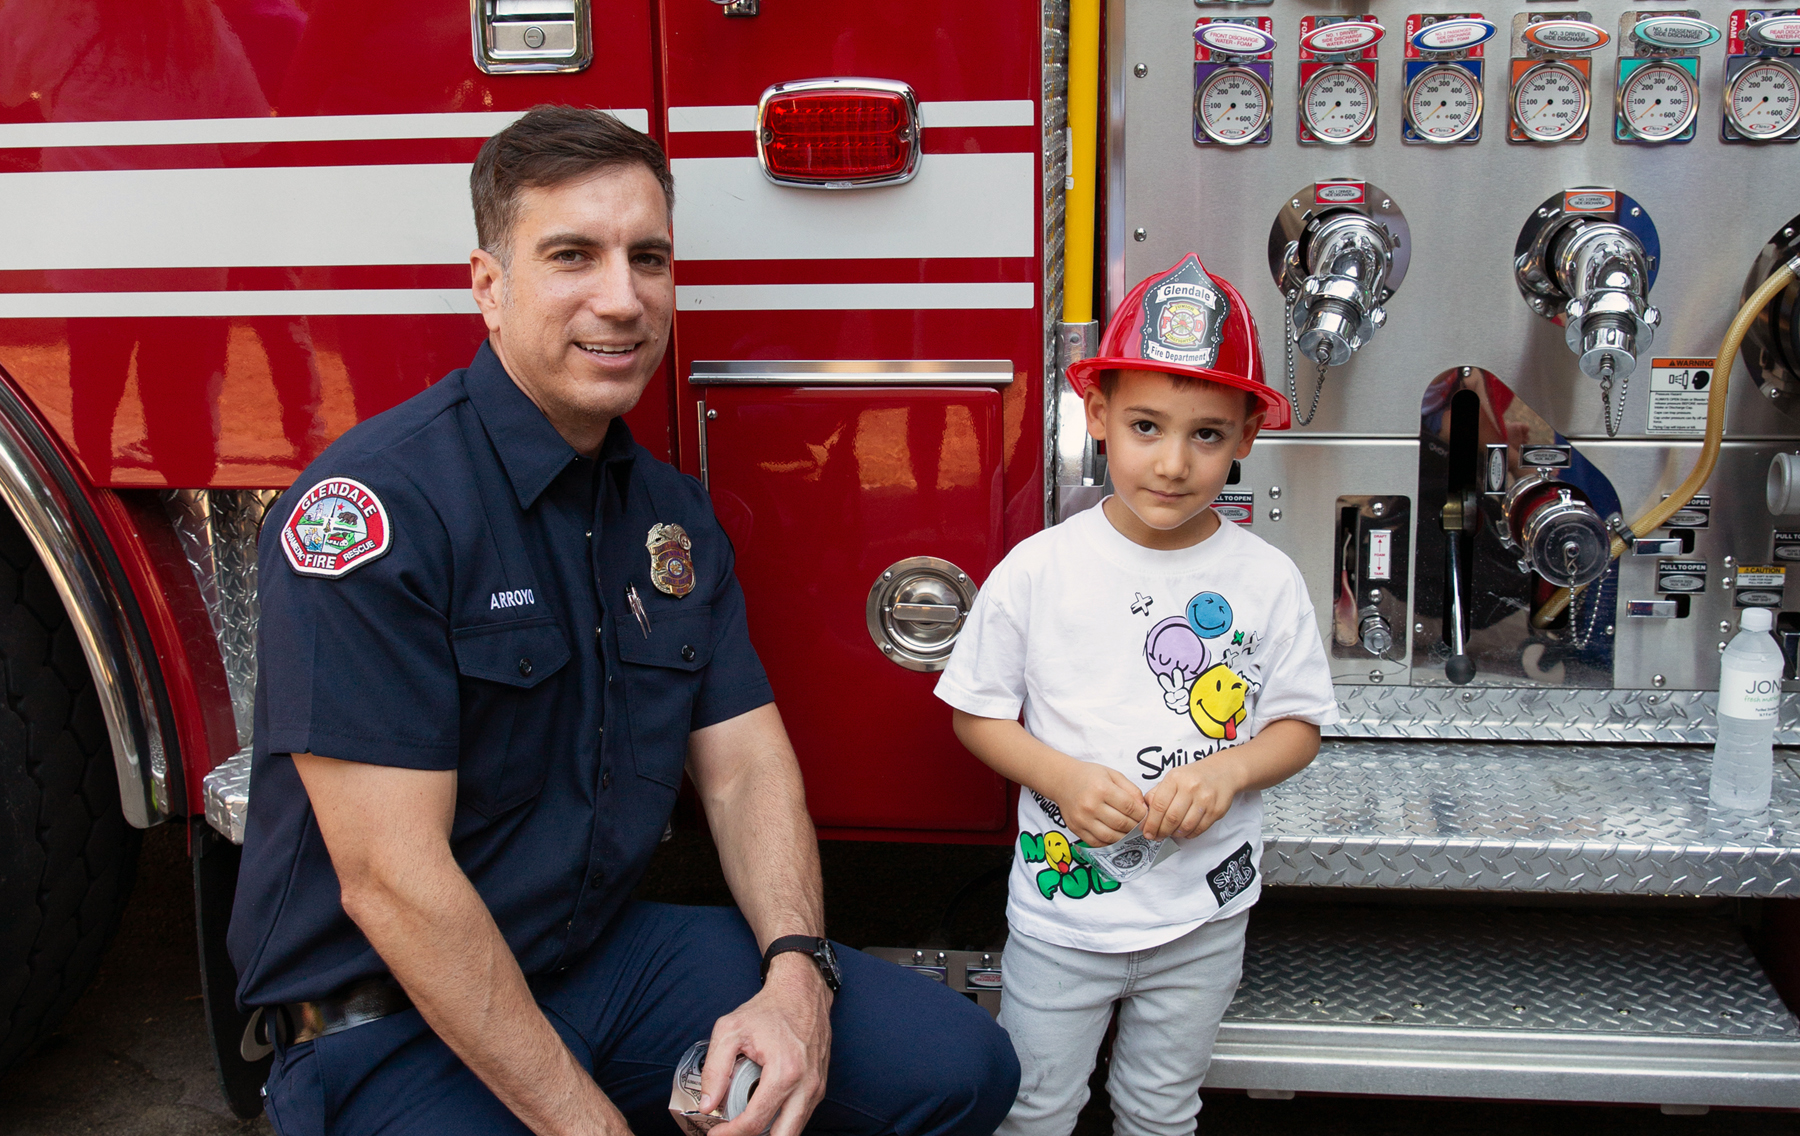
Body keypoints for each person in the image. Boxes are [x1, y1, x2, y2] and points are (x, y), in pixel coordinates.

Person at [228, 105, 1019, 1136]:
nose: (624, 297)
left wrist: (796, 977)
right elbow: (393, 883)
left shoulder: (670, 517)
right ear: (489, 286)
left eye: (649, 258)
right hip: (390, 1023)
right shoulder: (375, 514)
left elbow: (745, 770)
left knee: (957, 1065)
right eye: (573, 255)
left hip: (595, 961)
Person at [933, 254, 1335, 1136]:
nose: (1172, 462)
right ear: (1099, 417)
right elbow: (976, 711)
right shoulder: (1040, 569)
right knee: (1035, 1108)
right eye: (1147, 425)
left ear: (1245, 441)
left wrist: (1230, 771)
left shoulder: (1264, 579)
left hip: (1202, 917)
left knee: (1161, 1109)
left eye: (1207, 435)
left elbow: (1298, 727)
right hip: (1061, 921)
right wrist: (1064, 779)